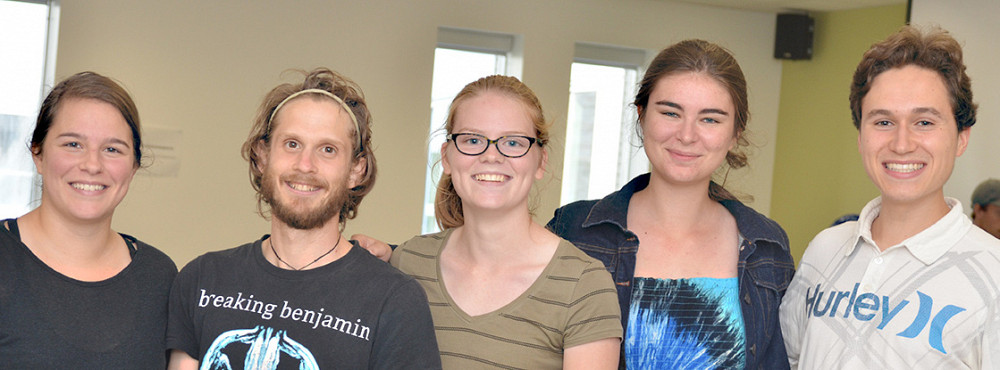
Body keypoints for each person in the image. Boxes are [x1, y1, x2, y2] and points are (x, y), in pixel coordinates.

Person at [166, 68, 441, 369]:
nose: (305, 165)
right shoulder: (203, 279)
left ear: (356, 170)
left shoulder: (394, 301)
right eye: (292, 144)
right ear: (262, 156)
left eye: (328, 149)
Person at [546, 40, 794, 369]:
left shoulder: (767, 246)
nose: (687, 135)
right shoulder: (574, 232)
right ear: (641, 115)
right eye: (670, 113)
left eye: (710, 119)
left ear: (735, 132)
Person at [780, 26, 1000, 368]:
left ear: (961, 138)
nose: (901, 144)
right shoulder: (825, 249)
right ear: (860, 137)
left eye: (924, 122)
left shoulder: (993, 274)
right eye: (883, 122)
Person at [389, 75, 622, 369]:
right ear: (447, 157)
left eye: (513, 142)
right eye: (473, 140)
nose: (491, 156)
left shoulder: (583, 285)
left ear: (541, 161)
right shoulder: (408, 262)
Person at [0, 72, 178, 368]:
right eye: (73, 144)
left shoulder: (159, 277)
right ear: (38, 154)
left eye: (112, 149)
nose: (92, 165)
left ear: (134, 166)